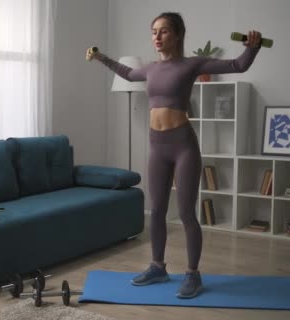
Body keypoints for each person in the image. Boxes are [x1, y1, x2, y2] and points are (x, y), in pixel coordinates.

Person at [87, 12, 262, 298]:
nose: (156, 36)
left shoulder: (192, 64)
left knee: (185, 213)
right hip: (157, 146)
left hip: (183, 146)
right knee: (156, 211)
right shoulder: (150, 69)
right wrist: (101, 57)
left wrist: (251, 47)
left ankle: (193, 274)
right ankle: (158, 266)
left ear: (178, 35)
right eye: (154, 31)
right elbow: (128, 73)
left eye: (164, 31)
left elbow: (238, 65)